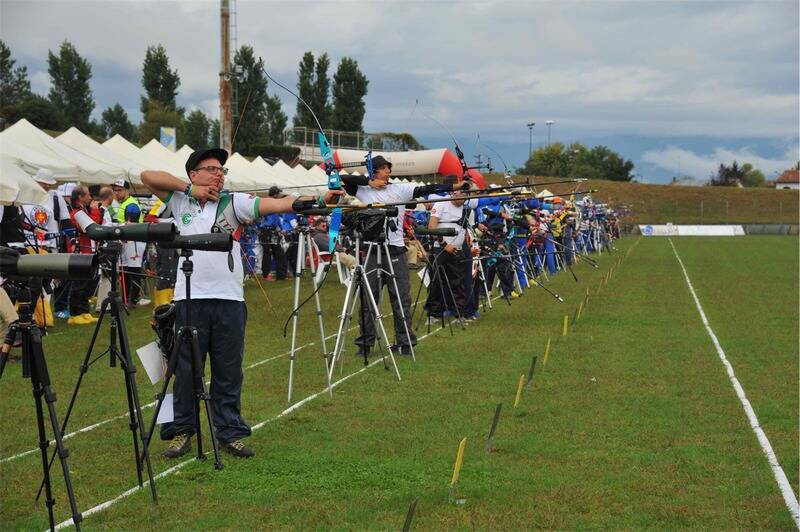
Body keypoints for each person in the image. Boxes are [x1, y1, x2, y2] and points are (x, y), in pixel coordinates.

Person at [141, 147, 341, 459]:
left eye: (222, 170)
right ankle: (181, 431)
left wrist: (316, 201)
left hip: (229, 301)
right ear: (194, 174)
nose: (219, 174)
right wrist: (189, 189)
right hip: (189, 298)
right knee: (185, 369)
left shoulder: (234, 202)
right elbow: (147, 177)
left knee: (228, 370)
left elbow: (278, 204)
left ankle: (230, 432)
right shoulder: (180, 202)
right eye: (211, 169)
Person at [341, 156, 470, 358]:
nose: (388, 172)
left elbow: (427, 189)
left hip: (396, 250)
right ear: (374, 171)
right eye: (383, 168)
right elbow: (341, 179)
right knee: (368, 299)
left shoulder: (399, 190)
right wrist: (368, 182)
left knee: (401, 299)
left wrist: (454, 185)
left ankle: (405, 343)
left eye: (388, 168)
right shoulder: (363, 189)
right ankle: (365, 345)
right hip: (373, 251)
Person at [67, 186, 102, 325]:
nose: (90, 198)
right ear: (80, 197)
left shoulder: (83, 211)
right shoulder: (76, 213)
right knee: (78, 284)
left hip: (88, 251)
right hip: (80, 252)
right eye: (87, 195)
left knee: (86, 283)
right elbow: (88, 228)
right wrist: (95, 211)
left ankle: (84, 311)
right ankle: (75, 314)